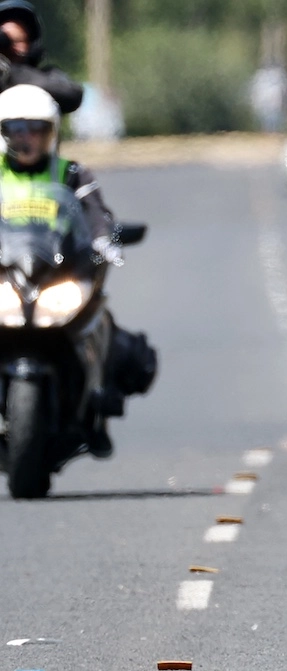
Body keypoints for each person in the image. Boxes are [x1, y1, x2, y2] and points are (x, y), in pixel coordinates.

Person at [0, 84, 155, 456]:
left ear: (52, 133)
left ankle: (97, 407)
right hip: (6, 272)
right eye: (16, 129)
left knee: (99, 319)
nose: (26, 138)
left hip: (57, 271)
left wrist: (105, 240)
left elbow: (97, 215)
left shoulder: (71, 173)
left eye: (36, 129)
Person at [0, 0, 82, 114]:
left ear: (31, 44)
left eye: (18, 40)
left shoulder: (46, 76)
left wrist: (11, 74)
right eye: (6, 41)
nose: (12, 48)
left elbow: (71, 93)